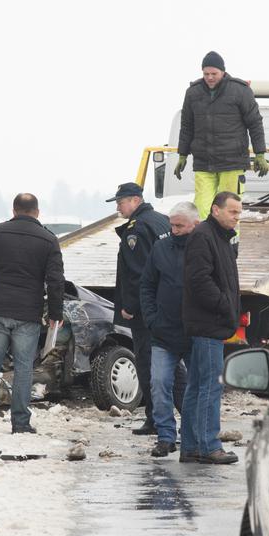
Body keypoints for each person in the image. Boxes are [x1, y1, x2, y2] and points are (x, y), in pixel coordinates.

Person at [0, 193, 64, 434]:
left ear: (14, 210)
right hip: (27, 313)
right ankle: (20, 423)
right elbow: (55, 281)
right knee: (23, 368)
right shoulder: (48, 239)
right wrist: (55, 313)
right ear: (37, 212)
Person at [181, 191, 242, 464]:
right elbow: (199, 280)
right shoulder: (204, 236)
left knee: (196, 386)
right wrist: (224, 305)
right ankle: (208, 446)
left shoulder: (220, 238)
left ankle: (192, 446)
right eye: (233, 212)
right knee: (209, 386)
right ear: (216, 210)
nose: (237, 217)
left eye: (239, 212)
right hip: (208, 323)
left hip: (209, 323)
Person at [107, 182, 171, 435]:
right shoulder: (162, 221)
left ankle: (155, 419)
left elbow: (137, 273)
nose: (118, 207)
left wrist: (130, 306)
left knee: (146, 361)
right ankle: (169, 416)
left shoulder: (137, 228)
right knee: (167, 361)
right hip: (164, 303)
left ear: (135, 200)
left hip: (145, 309)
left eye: (120, 202)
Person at [174, 51, 268, 220]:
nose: (209, 77)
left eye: (214, 74)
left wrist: (260, 153)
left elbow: (255, 123)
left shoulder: (240, 91)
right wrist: (182, 154)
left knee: (229, 210)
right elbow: (187, 126)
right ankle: (204, 243)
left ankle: (231, 243)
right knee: (202, 208)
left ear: (223, 72)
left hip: (232, 162)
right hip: (204, 162)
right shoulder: (193, 93)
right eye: (206, 74)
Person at [139, 202, 199, 457]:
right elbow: (147, 285)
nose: (173, 230)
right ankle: (165, 436)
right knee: (159, 383)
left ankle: (194, 435)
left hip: (195, 331)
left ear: (194, 224)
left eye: (179, 225)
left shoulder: (204, 249)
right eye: (172, 224)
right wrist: (152, 318)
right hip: (163, 332)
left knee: (196, 388)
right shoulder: (161, 248)